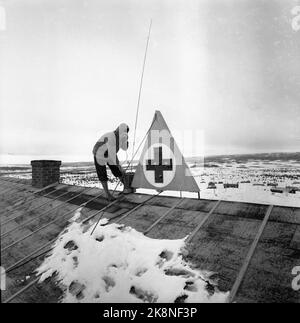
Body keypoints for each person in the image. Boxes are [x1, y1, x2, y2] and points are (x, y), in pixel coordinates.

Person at [93, 123, 130, 201]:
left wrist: (126, 141)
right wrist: (120, 166)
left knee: (117, 171)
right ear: (117, 130)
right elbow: (112, 154)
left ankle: (126, 188)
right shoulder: (111, 137)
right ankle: (108, 195)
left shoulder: (120, 138)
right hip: (99, 154)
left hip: (109, 153)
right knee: (102, 174)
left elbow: (125, 148)